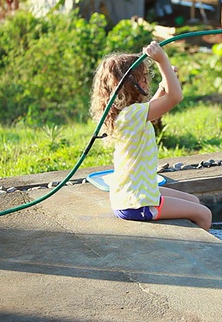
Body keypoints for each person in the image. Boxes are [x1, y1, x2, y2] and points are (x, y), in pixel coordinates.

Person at [90, 41, 212, 231]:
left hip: (132, 194)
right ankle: (204, 254)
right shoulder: (133, 114)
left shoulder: (128, 114)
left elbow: (156, 107)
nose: (147, 81)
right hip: (137, 202)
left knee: (193, 201)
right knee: (204, 214)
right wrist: (162, 62)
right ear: (130, 84)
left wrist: (164, 84)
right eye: (143, 78)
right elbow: (175, 98)